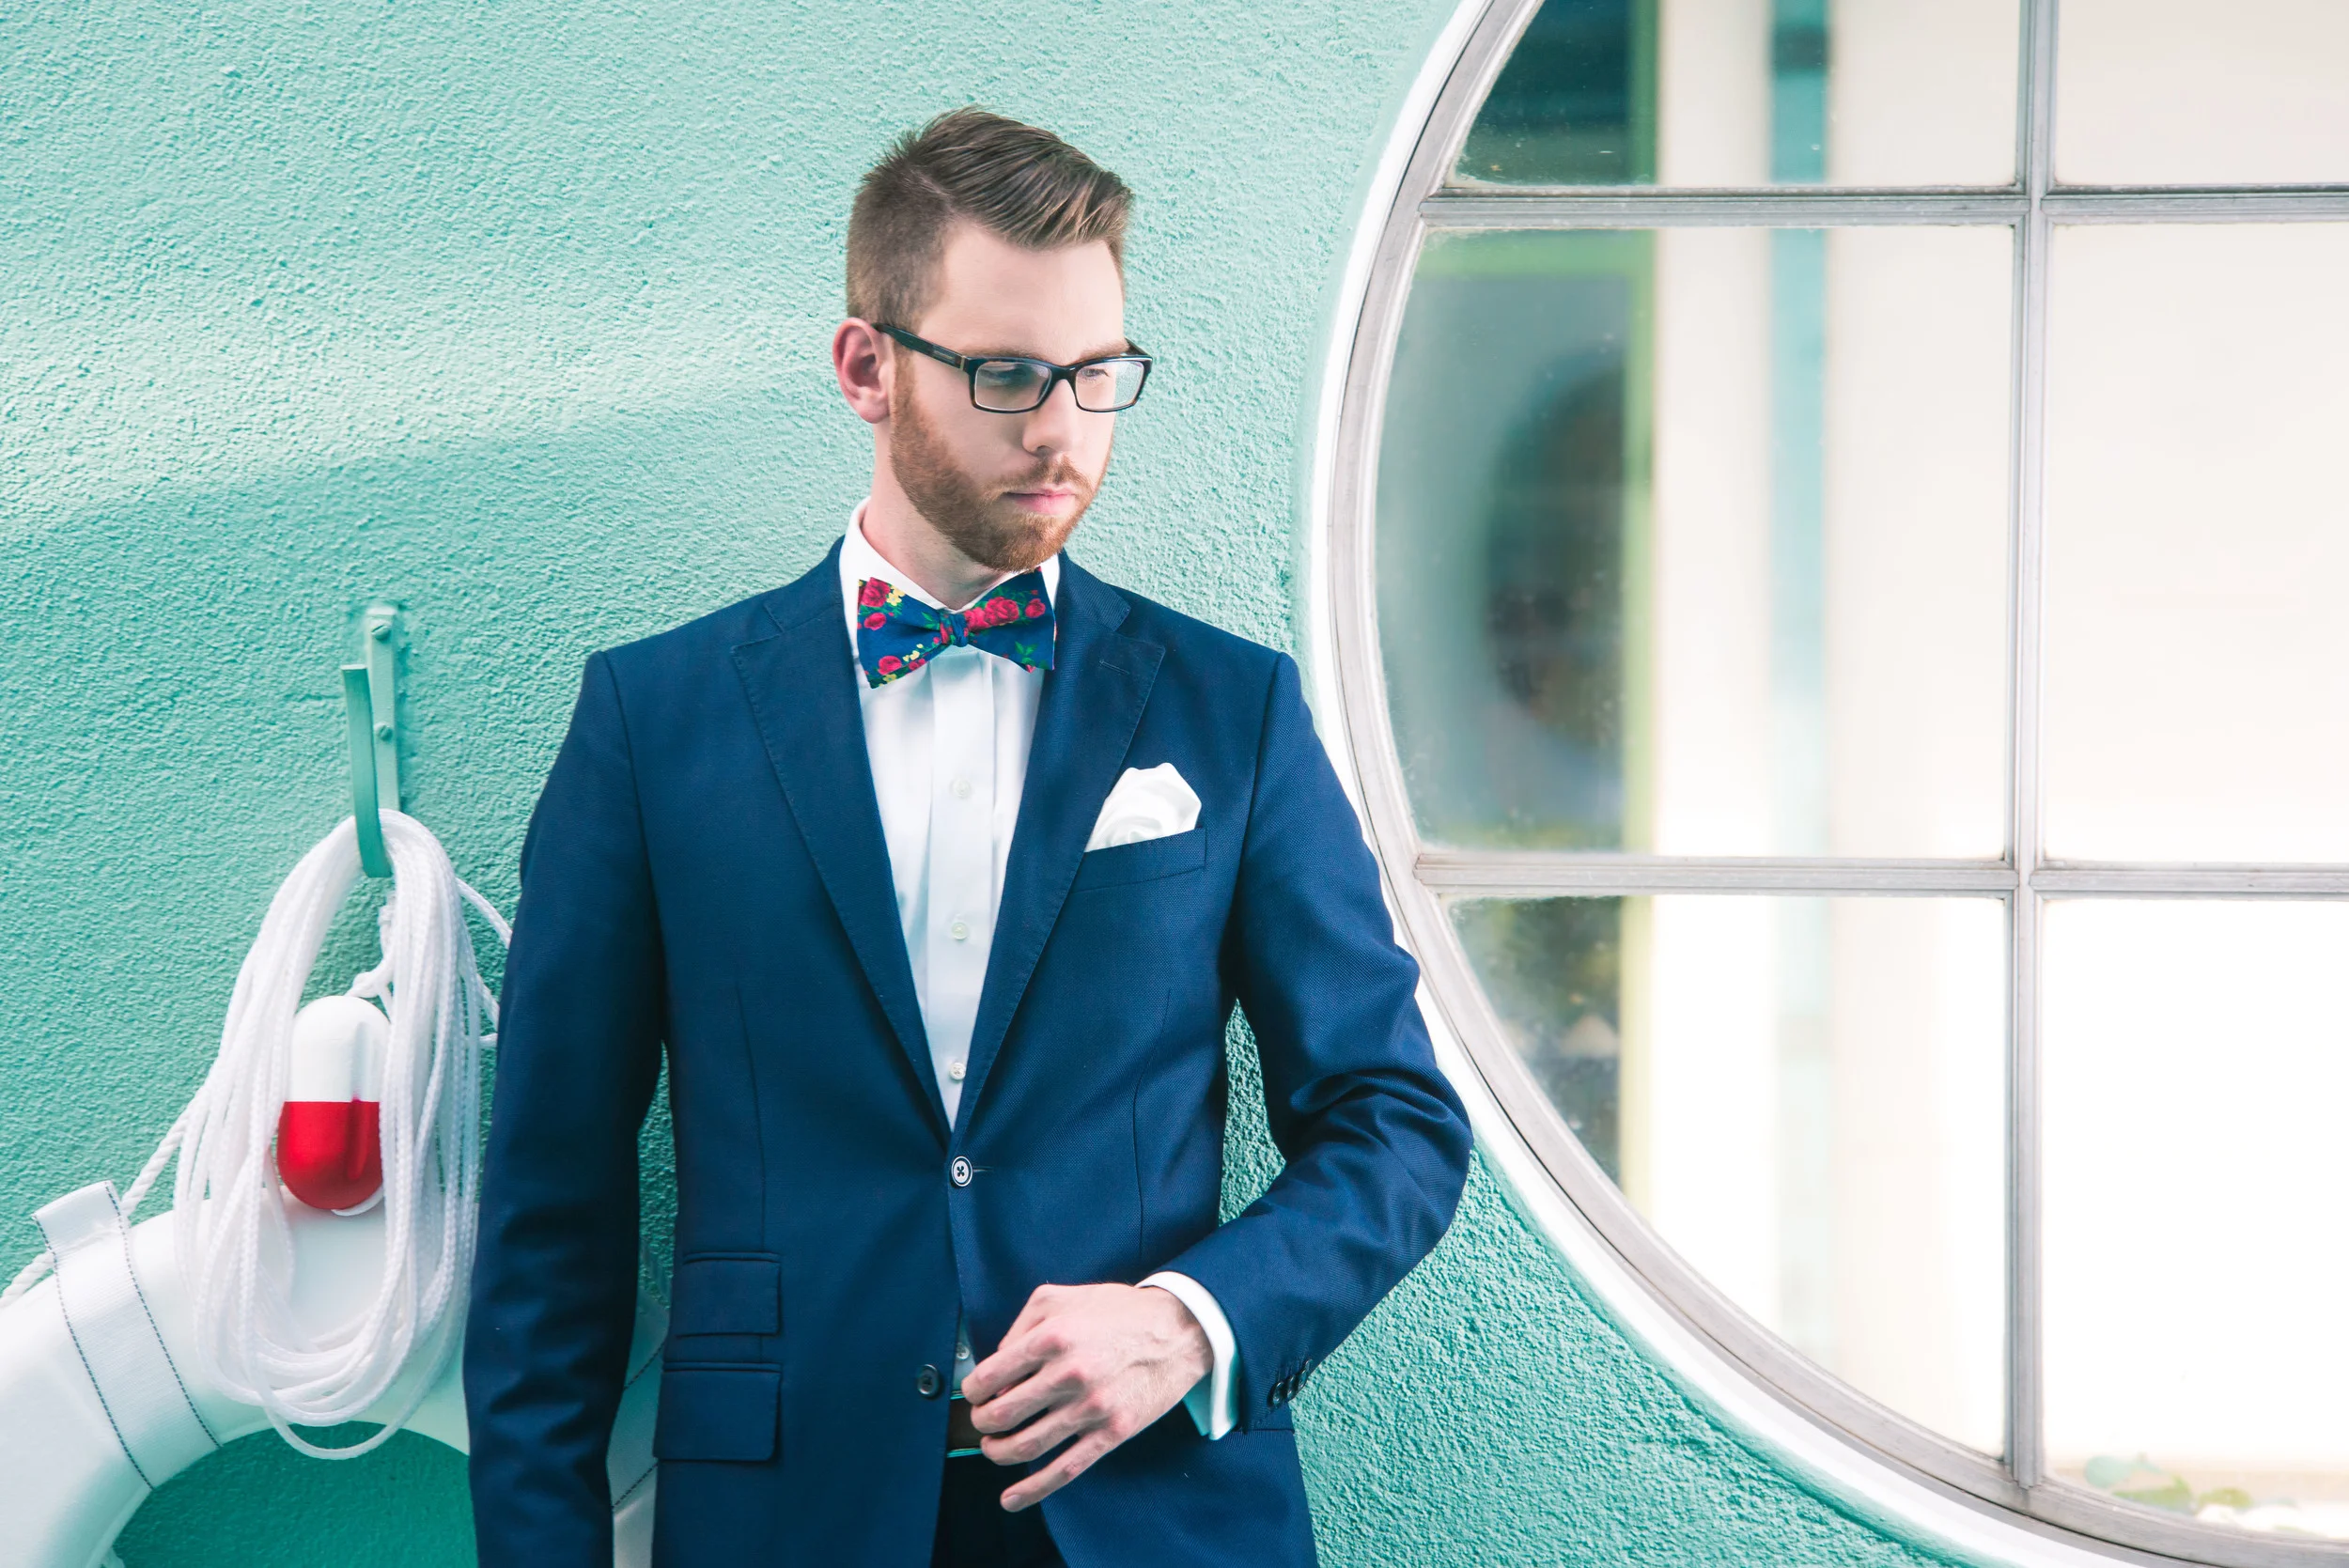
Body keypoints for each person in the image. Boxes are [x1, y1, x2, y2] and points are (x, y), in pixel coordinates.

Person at [462, 105, 1472, 1568]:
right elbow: (551, 1217)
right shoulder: (654, 722)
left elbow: (1397, 1119)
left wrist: (1191, 1325)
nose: (1060, 428)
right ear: (866, 367)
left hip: (1155, 1512)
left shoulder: (1230, 708)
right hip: (783, 1516)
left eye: (1096, 375)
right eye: (1005, 375)